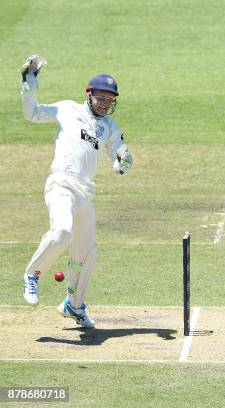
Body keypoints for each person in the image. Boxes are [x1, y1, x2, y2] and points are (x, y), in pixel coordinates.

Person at [20, 54, 133, 328]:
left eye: (110, 99)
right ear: (89, 94)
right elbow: (32, 112)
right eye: (101, 98)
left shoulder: (110, 127)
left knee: (86, 254)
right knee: (62, 231)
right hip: (61, 184)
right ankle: (32, 275)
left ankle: (74, 305)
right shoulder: (68, 109)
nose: (105, 104)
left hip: (84, 194)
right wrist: (29, 82)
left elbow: (120, 155)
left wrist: (123, 162)